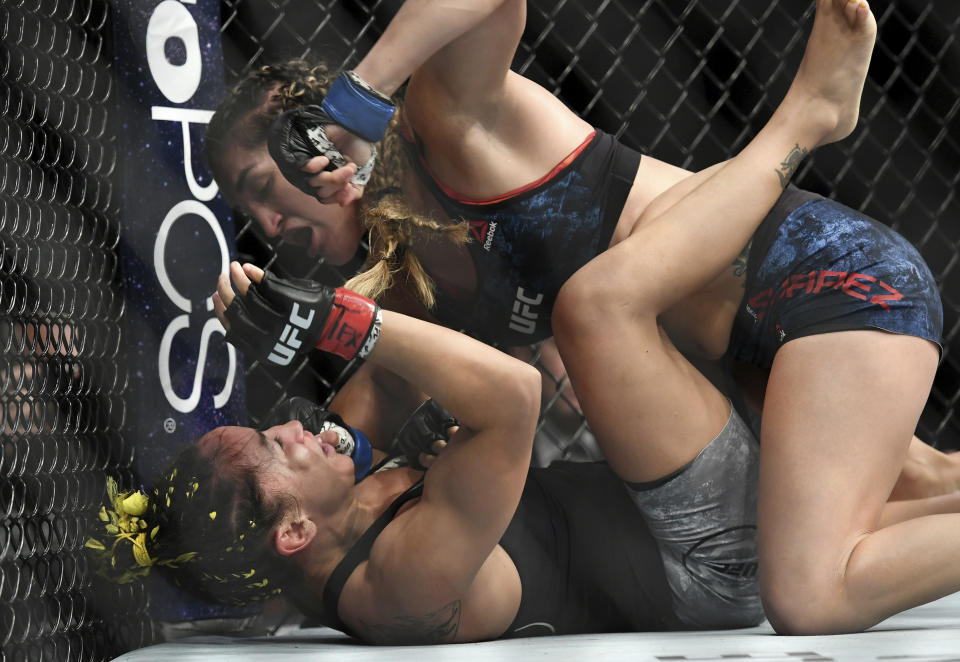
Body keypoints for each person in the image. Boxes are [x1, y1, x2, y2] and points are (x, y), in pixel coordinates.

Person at [201, 0, 960, 503]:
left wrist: (357, 101)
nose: (266, 224)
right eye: (249, 213)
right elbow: (361, 424)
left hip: (794, 276)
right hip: (736, 374)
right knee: (922, 485)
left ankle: (813, 112)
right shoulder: (399, 284)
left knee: (823, 578)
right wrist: (291, 342)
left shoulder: (444, 127)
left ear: (298, 132)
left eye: (260, 184)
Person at [87, 262, 764, 643]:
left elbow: (393, 356)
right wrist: (330, 320)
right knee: (597, 306)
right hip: (702, 558)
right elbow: (516, 395)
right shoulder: (395, 584)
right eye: (276, 446)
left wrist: (362, 432)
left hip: (648, 491)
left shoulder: (322, 518)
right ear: (293, 531)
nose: (291, 427)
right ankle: (805, 120)